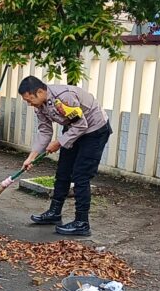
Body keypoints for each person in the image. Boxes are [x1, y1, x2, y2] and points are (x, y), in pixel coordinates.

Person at [18, 76, 112, 237]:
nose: (29, 103)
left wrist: (59, 142)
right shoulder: (39, 106)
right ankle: (54, 213)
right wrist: (31, 157)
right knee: (63, 172)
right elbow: (45, 131)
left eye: (30, 99)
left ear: (40, 92)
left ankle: (82, 223)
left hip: (95, 130)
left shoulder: (64, 97)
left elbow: (82, 124)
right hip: (73, 129)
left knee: (81, 175)